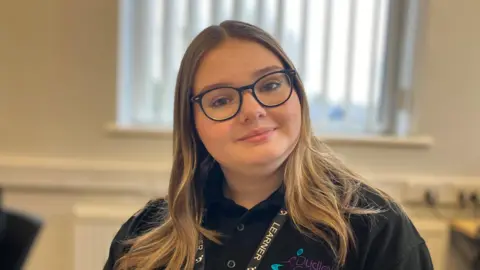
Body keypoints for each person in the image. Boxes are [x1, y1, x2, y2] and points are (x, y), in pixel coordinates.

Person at [104, 20, 433, 270]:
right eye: (220, 100)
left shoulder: (373, 226)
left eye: (271, 84)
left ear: (298, 95)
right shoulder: (143, 235)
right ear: (192, 123)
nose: (252, 110)